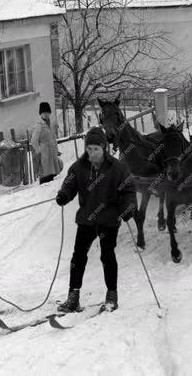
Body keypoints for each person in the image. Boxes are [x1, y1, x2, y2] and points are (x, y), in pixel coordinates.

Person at [55, 127, 137, 313]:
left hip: (108, 219)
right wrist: (63, 195)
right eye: (89, 149)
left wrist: (128, 208)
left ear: (104, 148)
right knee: (78, 256)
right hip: (87, 218)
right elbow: (70, 184)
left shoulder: (117, 168)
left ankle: (111, 296)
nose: (91, 153)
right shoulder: (78, 167)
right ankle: (73, 296)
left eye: (96, 149)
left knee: (107, 256)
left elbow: (129, 191)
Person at [30, 101, 63, 184]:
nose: (45, 114)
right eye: (43, 112)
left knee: (51, 175)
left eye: (47, 112)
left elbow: (52, 138)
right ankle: (42, 191)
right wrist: (39, 151)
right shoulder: (39, 125)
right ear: (40, 114)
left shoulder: (50, 124)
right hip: (44, 153)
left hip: (51, 152)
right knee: (45, 174)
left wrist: (56, 150)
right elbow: (33, 141)